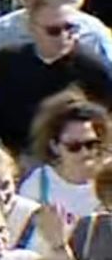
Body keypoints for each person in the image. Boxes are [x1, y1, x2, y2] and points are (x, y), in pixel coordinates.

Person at [0, 0, 112, 154]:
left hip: (72, 155)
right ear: (32, 28)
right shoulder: (9, 60)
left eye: (70, 28)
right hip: (18, 152)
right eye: (54, 31)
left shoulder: (92, 68)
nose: (64, 37)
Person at [17, 93, 108, 228]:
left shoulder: (107, 180)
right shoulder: (37, 185)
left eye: (90, 144)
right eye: (74, 146)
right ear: (54, 146)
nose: (85, 152)